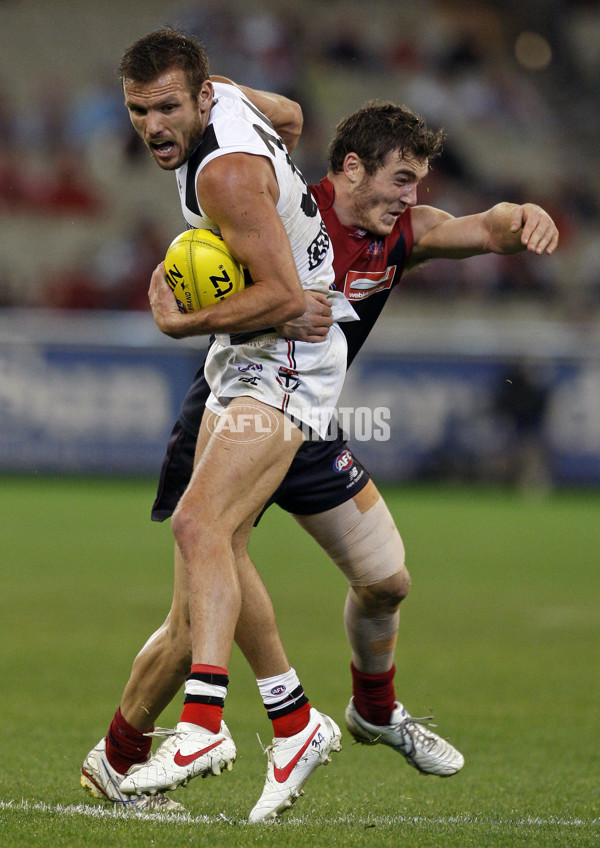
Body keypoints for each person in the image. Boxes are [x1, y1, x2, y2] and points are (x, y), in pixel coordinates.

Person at [81, 48, 559, 820]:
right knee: (200, 584)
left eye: (420, 184)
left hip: (302, 404)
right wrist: (250, 308)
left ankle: (371, 709)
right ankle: (133, 752)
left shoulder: (395, 230)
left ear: (201, 98)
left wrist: (525, 217)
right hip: (253, 390)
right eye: (401, 179)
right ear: (349, 170)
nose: (412, 198)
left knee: (383, 580)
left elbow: (484, 227)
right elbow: (277, 275)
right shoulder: (274, 198)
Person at [82, 27, 363, 820]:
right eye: (139, 110)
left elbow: (280, 298)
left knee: (198, 526)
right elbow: (295, 116)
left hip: (286, 358)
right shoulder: (233, 101)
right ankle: (292, 718)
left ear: (203, 97)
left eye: (170, 106)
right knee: (218, 543)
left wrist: (180, 323)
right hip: (249, 356)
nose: (154, 126)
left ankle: (204, 723)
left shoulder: (226, 176)